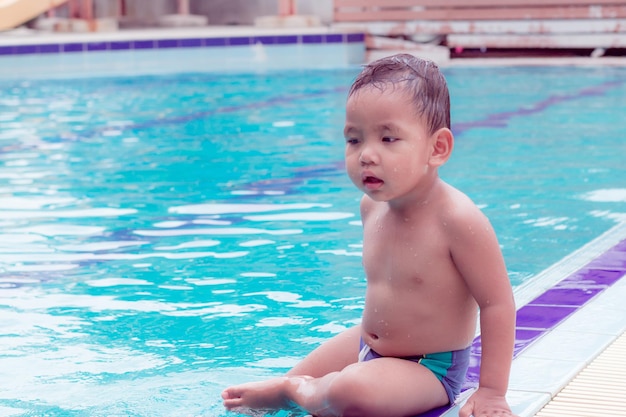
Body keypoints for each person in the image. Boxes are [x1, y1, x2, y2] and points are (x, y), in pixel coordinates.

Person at [222, 53, 517, 417]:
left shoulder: (457, 219)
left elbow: (498, 304)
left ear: (437, 148)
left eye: (388, 138)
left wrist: (490, 390)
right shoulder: (371, 207)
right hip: (365, 344)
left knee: (350, 391)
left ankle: (297, 390)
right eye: (354, 140)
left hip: (428, 367)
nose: (366, 155)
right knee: (264, 401)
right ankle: (296, 386)